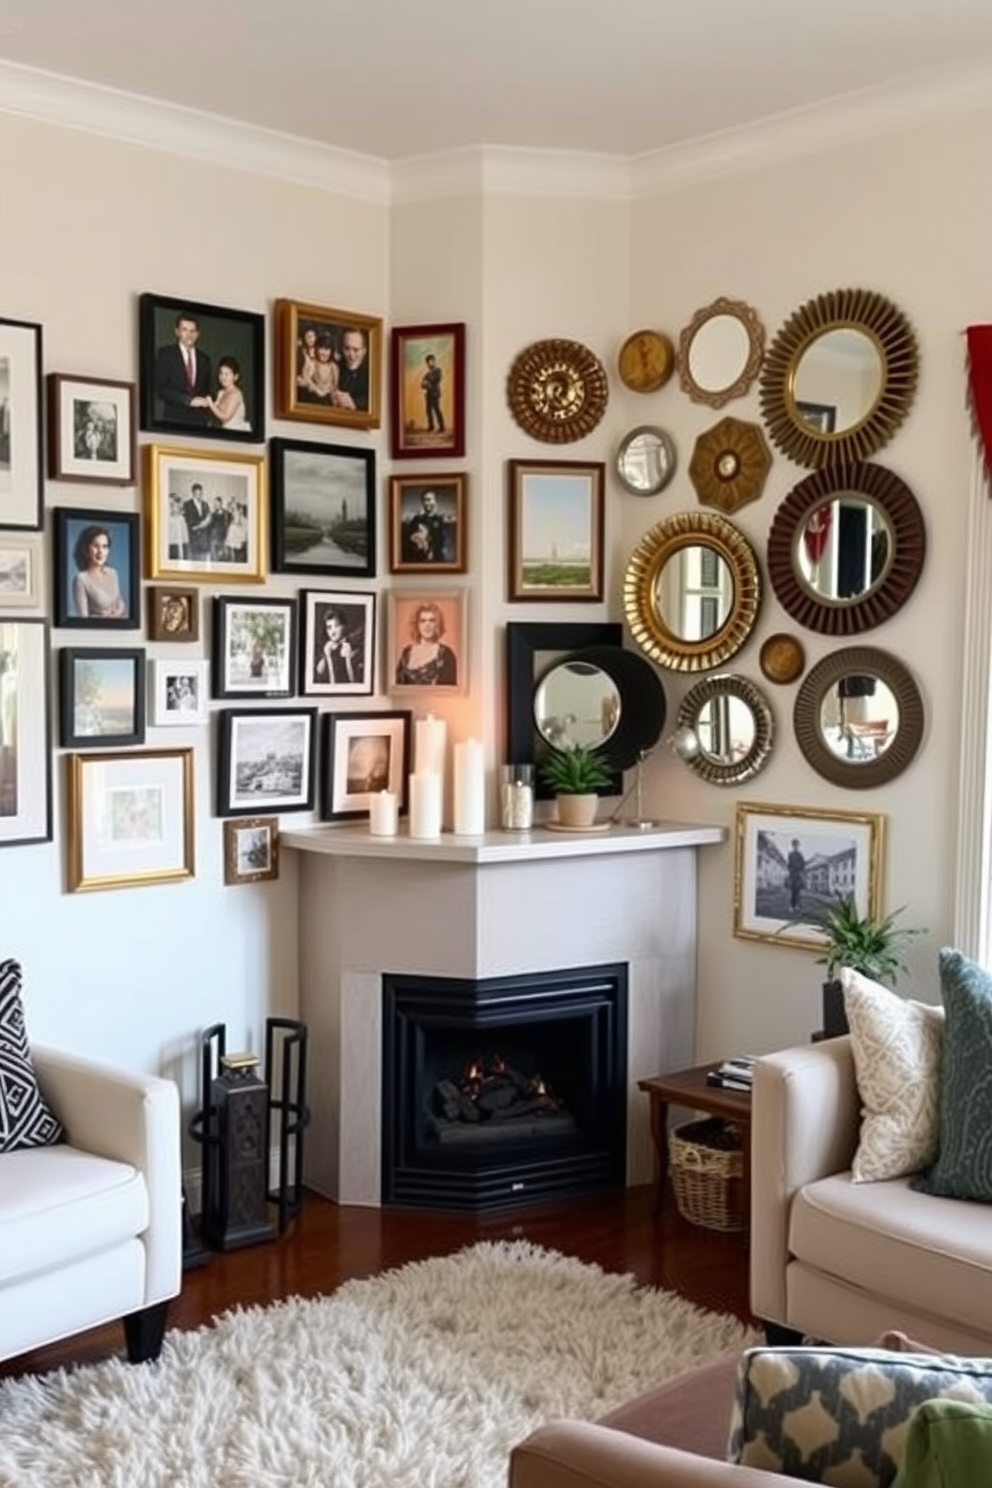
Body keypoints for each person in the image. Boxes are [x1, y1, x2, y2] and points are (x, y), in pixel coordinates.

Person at [153, 310, 213, 426]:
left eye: (192, 331)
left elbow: (208, 390)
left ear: (197, 334)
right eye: (184, 330)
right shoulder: (166, 354)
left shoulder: (205, 359)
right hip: (174, 419)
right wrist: (188, 401)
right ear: (177, 332)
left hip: (199, 421)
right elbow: (160, 390)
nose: (189, 335)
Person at [394, 600, 457, 686]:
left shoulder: (446, 654)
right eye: (423, 621)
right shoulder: (406, 652)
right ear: (417, 625)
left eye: (432, 620)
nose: (427, 625)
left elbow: (448, 692)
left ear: (437, 624)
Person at [72, 523, 125, 618]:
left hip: (116, 630)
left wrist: (119, 610)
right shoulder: (81, 579)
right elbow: (83, 619)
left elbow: (120, 602)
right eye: (96, 546)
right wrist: (105, 617)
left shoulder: (113, 573)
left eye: (104, 546)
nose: (100, 551)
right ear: (85, 549)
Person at [315, 607, 361, 685]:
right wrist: (327, 657)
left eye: (336, 626)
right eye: (329, 628)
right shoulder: (326, 649)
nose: (332, 632)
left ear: (344, 626)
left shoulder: (354, 648)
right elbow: (319, 676)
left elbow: (355, 684)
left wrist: (348, 659)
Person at [401, 489, 450, 564]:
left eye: (429, 500)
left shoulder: (441, 521)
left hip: (437, 561)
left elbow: (445, 543)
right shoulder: (416, 519)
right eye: (424, 500)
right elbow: (408, 540)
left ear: (435, 501)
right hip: (419, 561)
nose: (427, 503)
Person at [205, 356, 250, 431]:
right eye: (221, 373)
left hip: (237, 433)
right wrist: (203, 402)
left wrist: (210, 404)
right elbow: (214, 409)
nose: (223, 377)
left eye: (226, 374)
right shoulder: (221, 392)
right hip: (225, 431)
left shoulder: (236, 394)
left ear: (235, 377)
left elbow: (225, 417)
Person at [333, 328, 370, 412]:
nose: (351, 354)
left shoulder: (371, 374)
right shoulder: (335, 366)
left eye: (356, 350)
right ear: (341, 348)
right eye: (347, 348)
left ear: (364, 351)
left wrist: (354, 403)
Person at [298, 337, 339, 403]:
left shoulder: (333, 366)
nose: (324, 353)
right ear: (316, 349)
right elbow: (306, 379)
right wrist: (317, 390)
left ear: (331, 351)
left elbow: (335, 387)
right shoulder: (312, 363)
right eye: (321, 348)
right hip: (314, 398)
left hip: (329, 400)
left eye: (327, 349)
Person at [182, 483, 212, 561]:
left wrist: (208, 521)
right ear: (193, 493)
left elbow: (208, 519)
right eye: (197, 494)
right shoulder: (187, 504)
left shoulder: (205, 504)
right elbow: (188, 522)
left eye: (200, 493)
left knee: (203, 562)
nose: (199, 496)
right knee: (194, 562)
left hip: (204, 539)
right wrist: (200, 525)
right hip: (193, 539)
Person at [421, 353, 444, 432]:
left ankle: (441, 427)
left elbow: (437, 380)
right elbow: (422, 384)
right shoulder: (427, 373)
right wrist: (424, 384)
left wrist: (427, 383)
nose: (429, 364)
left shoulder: (438, 370)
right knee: (428, 410)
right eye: (427, 362)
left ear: (434, 361)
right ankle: (431, 426)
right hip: (428, 394)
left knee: (437, 409)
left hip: (435, 393)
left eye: (430, 361)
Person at [786, 838, 806, 913]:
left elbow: (803, 865)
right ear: (792, 846)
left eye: (797, 845)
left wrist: (800, 870)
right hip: (792, 875)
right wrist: (791, 870)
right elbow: (789, 864)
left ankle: (797, 906)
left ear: (798, 846)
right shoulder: (790, 854)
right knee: (792, 891)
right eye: (794, 845)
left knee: (798, 892)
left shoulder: (800, 855)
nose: (795, 847)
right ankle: (791, 906)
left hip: (798, 875)